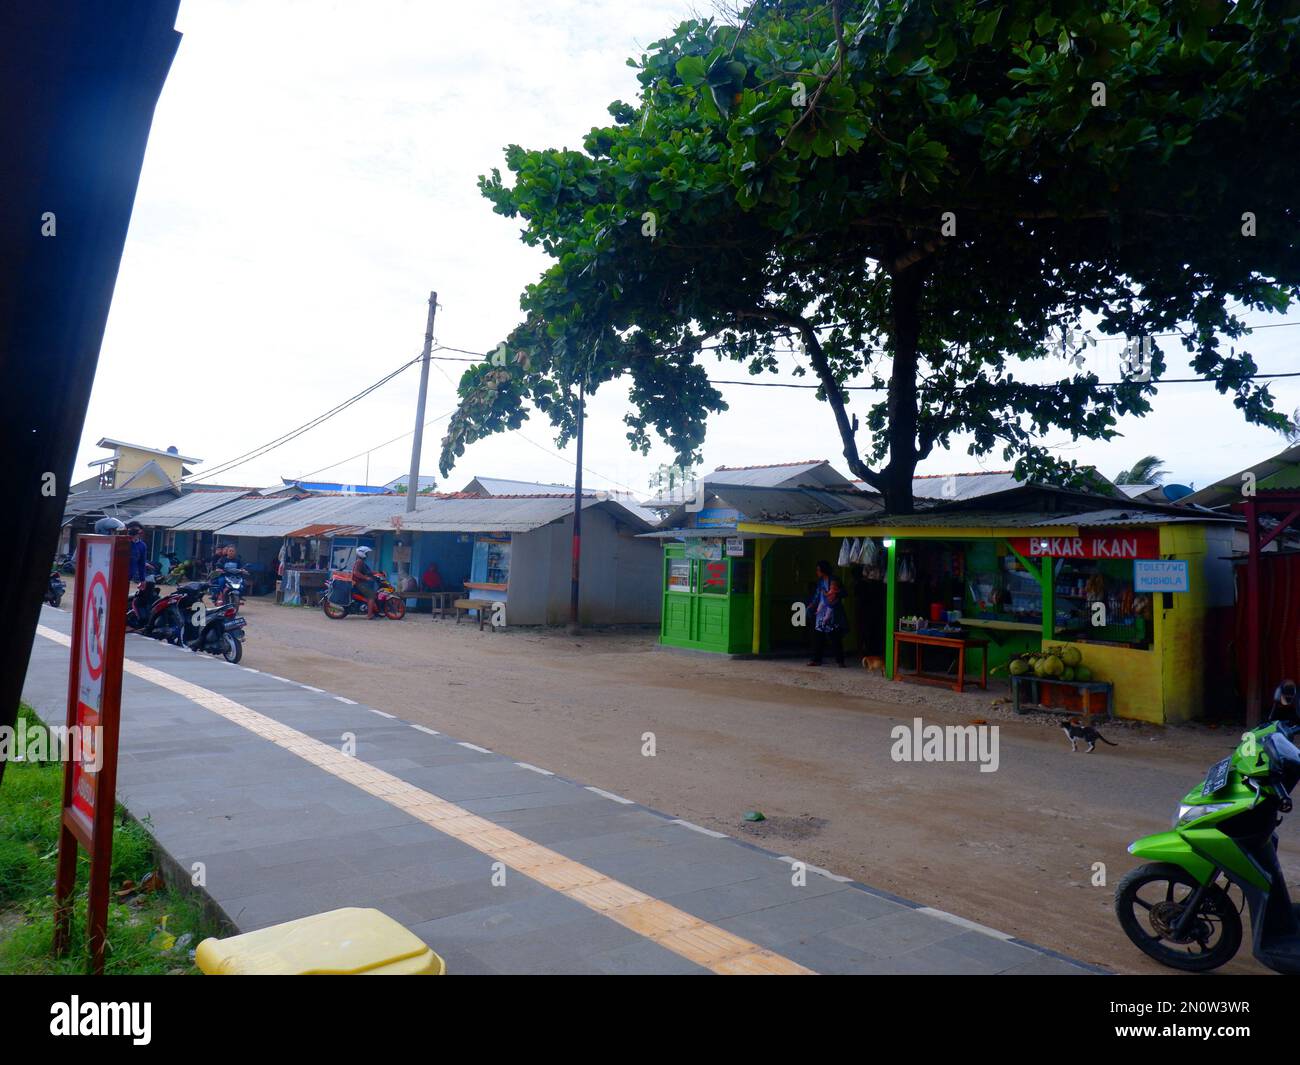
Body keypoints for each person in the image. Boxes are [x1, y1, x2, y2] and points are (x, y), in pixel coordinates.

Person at [807, 560, 848, 667]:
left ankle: (840, 661)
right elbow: (817, 595)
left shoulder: (835, 580)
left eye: (818, 570)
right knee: (818, 636)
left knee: (834, 636)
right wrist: (811, 605)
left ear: (823, 570)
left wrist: (835, 593)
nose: (817, 572)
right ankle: (816, 659)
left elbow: (844, 593)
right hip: (821, 611)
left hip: (832, 611)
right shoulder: (820, 581)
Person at [351, 546, 378, 618]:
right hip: (359, 584)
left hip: (361, 583)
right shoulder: (359, 562)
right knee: (372, 595)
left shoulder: (361, 562)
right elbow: (356, 572)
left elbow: (368, 572)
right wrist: (366, 578)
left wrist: (377, 573)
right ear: (362, 553)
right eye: (366, 553)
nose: (367, 555)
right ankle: (369, 615)